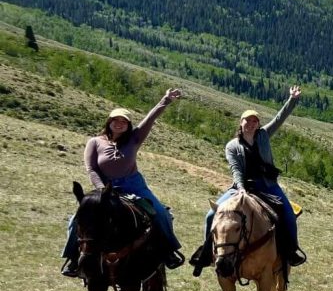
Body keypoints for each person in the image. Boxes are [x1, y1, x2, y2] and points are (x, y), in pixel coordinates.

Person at [62, 89, 186, 277]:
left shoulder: (134, 139)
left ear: (128, 126)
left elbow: (150, 119)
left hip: (133, 185)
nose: (119, 124)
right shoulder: (95, 142)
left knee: (160, 213)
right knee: (77, 219)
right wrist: (103, 190)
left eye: (124, 122)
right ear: (109, 122)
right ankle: (72, 258)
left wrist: (166, 100)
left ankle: (169, 251)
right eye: (116, 120)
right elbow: (91, 169)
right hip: (104, 187)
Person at [190, 86, 306, 275]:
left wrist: (292, 100)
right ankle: (207, 253)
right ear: (241, 123)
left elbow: (280, 118)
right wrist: (241, 188)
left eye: (255, 121)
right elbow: (236, 169)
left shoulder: (263, 135)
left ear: (258, 124)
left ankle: (291, 251)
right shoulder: (232, 146)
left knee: (288, 214)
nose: (251, 124)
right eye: (247, 120)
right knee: (211, 216)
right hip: (242, 188)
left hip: (268, 186)